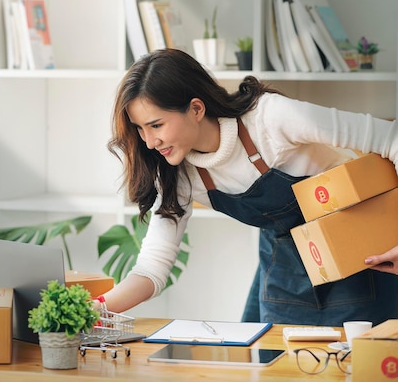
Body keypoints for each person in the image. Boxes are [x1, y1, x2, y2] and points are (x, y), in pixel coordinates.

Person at [94, 48, 398, 326]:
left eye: (156, 125)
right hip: (285, 278)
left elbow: (390, 138)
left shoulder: (271, 119)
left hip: (362, 264)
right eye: (140, 129)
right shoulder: (180, 174)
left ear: (196, 109)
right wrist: (95, 308)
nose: (149, 142)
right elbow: (152, 268)